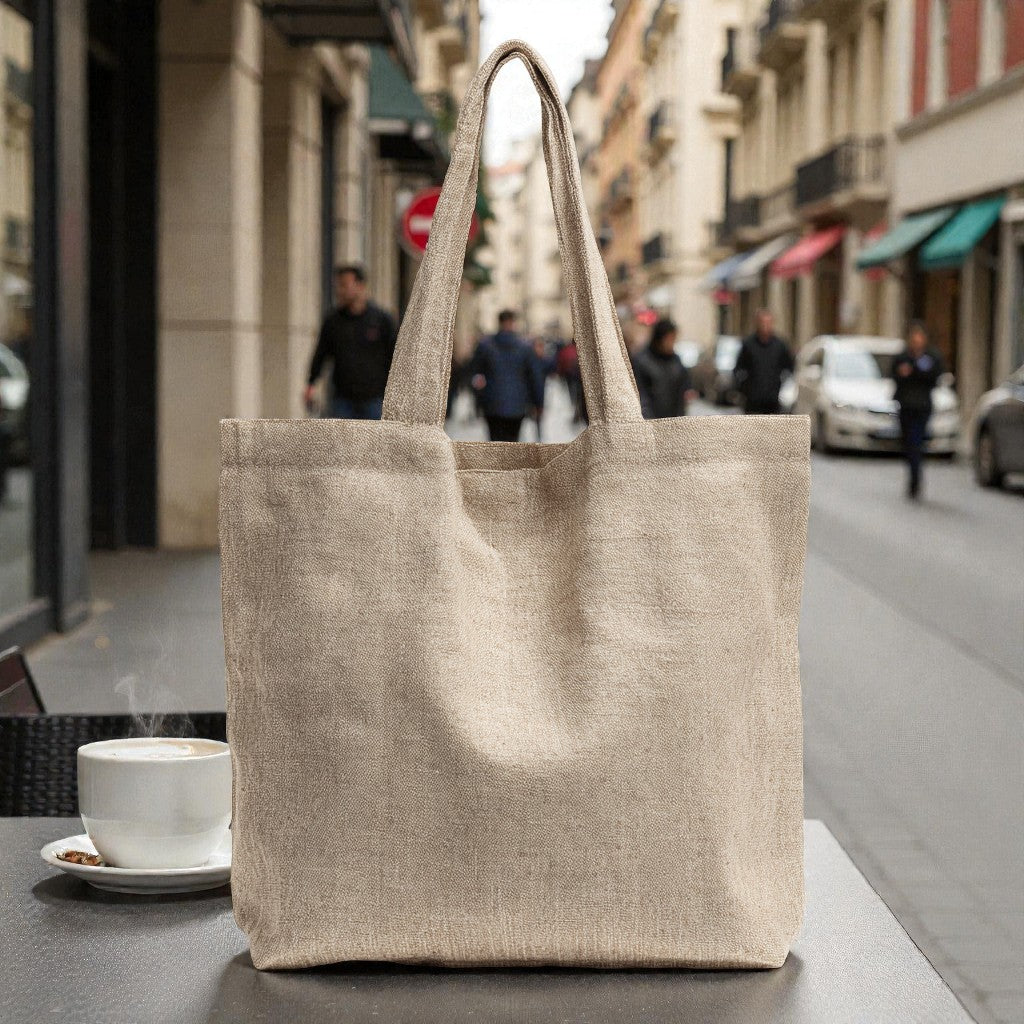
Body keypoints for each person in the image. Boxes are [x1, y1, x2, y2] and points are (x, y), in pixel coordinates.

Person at [304, 264, 398, 420]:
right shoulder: (333, 321)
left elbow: (394, 357)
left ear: (360, 285)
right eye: (338, 286)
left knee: (372, 443)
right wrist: (311, 383)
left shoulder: (381, 320)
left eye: (344, 285)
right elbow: (321, 354)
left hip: (374, 399)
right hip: (343, 400)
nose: (340, 291)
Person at [468, 310, 545, 442]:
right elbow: (535, 378)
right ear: (513, 322)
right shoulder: (525, 347)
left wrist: (478, 399)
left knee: (495, 442)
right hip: (517, 406)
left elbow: (474, 374)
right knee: (512, 443)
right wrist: (539, 403)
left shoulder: (485, 346)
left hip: (492, 404)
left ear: (499, 322)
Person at [892, 320, 944, 500]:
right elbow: (894, 374)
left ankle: (915, 479)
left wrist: (913, 370)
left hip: (922, 407)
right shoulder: (903, 356)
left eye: (919, 337)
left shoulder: (931, 356)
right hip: (906, 406)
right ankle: (913, 474)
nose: (917, 340)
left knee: (916, 442)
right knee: (908, 443)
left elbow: (935, 376)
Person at [631, 318, 697, 419]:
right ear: (659, 339)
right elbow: (640, 394)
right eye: (670, 339)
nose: (672, 343)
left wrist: (688, 390)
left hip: (673, 419)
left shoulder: (675, 360)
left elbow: (685, 381)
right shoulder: (641, 361)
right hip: (652, 420)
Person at [734, 308, 794, 414]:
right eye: (763, 322)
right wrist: (744, 388)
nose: (765, 326)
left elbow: (789, 368)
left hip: (773, 399)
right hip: (752, 400)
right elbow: (739, 369)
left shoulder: (780, 345)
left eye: (768, 322)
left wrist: (783, 387)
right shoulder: (748, 344)